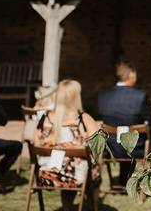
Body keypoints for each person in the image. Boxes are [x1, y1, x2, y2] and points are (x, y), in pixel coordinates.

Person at [33, 79, 101, 211]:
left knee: (75, 165)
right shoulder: (82, 118)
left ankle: (67, 208)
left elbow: (35, 144)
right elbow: (98, 145)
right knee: (93, 169)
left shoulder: (45, 118)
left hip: (45, 174)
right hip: (76, 176)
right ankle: (93, 207)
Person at [96, 61, 151, 184]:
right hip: (135, 147)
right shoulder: (140, 97)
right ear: (131, 75)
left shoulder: (103, 96)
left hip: (110, 146)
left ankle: (123, 180)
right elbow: (150, 124)